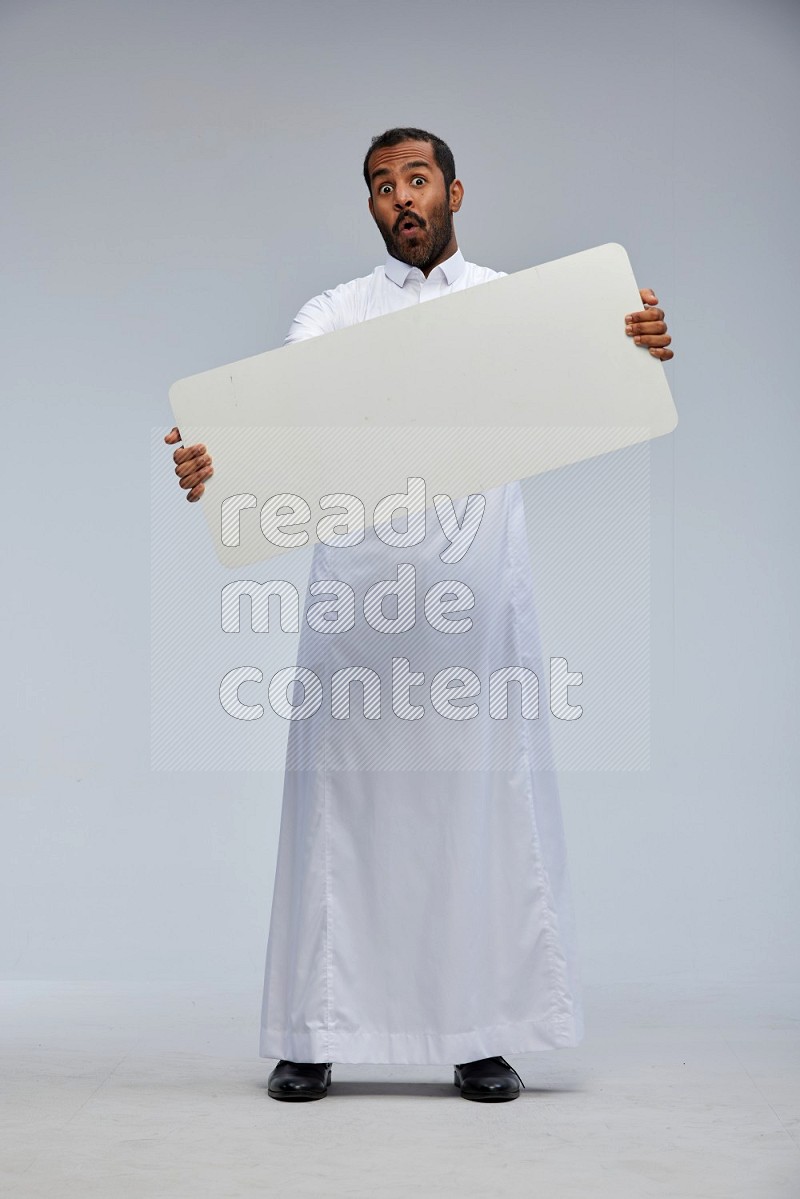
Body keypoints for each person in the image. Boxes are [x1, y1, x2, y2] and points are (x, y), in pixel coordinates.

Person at [165, 127, 673, 1104]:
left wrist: (637, 341)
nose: (400, 198)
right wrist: (216, 459)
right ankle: (312, 1032)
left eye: (416, 179)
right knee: (338, 812)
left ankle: (479, 1031)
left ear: (452, 190)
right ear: (368, 207)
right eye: (379, 186)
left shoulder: (509, 302)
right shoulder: (331, 311)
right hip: (356, 597)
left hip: (473, 601)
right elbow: (280, 419)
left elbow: (596, 370)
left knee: (475, 808)